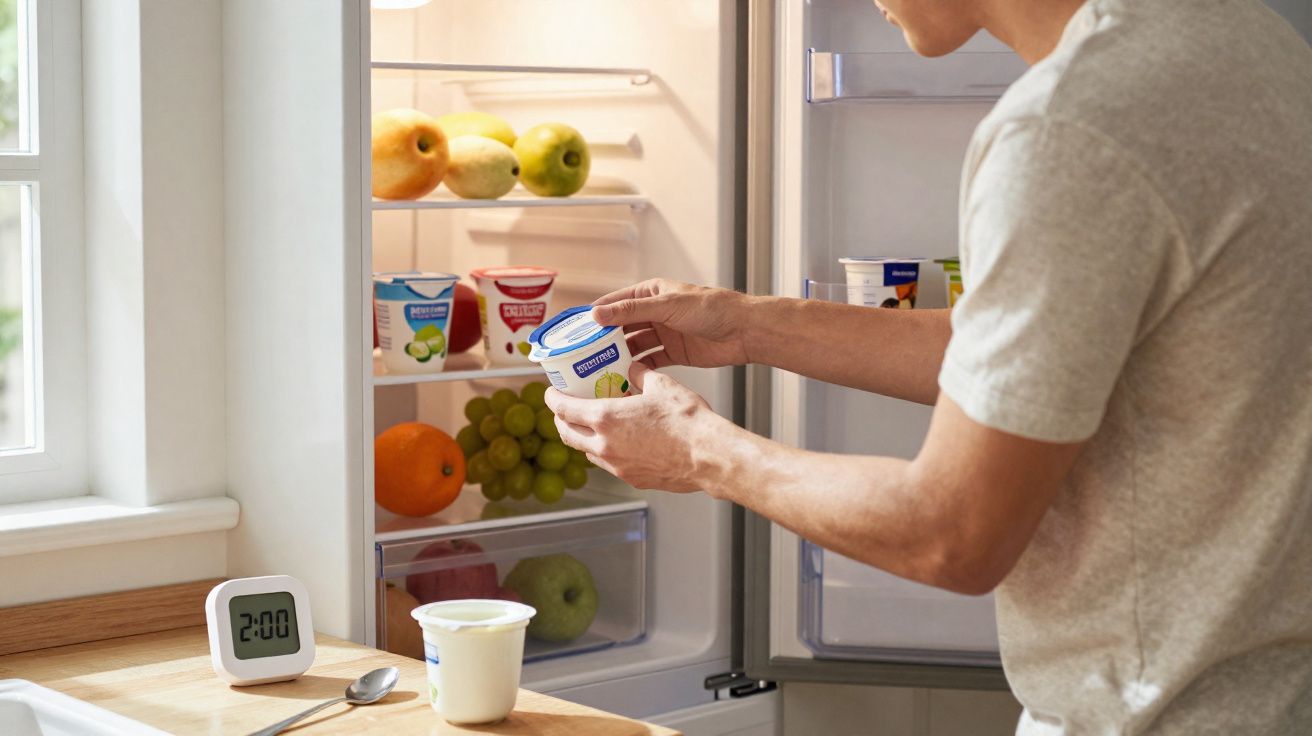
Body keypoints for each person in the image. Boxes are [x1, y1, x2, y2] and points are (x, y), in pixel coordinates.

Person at [545, 0, 1312, 733]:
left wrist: (700, 450)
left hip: (1159, 713)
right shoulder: (1248, 41)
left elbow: (954, 531)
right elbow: (1039, 360)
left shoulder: (1071, 126)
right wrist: (749, 325)